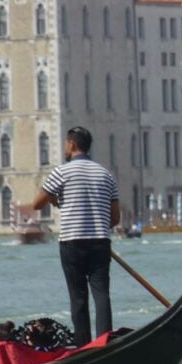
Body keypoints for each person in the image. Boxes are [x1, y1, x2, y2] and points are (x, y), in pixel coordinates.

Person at [32, 126, 120, 346]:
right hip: (100, 242)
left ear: (71, 144)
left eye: (65, 143)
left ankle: (83, 346)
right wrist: (96, 225)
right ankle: (104, 342)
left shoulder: (61, 172)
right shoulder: (105, 174)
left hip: (72, 243)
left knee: (78, 297)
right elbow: (115, 218)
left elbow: (36, 204)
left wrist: (54, 200)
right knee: (101, 295)